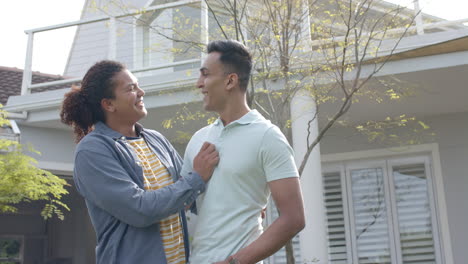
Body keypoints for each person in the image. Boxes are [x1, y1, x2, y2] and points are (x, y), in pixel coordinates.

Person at [60, 60, 219, 264]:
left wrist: (238, 204)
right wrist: (196, 178)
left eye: (138, 85)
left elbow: (187, 197)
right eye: (131, 88)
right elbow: (139, 210)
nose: (141, 92)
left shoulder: (155, 139)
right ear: (109, 104)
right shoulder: (93, 151)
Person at [182, 40, 305, 264]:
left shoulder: (268, 137)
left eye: (206, 75)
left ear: (230, 81)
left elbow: (294, 218)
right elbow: (179, 207)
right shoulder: (198, 139)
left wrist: (234, 262)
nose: (199, 83)